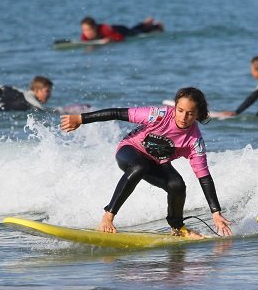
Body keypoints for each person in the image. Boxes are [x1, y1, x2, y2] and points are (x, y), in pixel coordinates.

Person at [60, 87, 233, 238]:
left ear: (198, 114)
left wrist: (215, 213)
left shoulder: (194, 141)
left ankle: (177, 227)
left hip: (157, 162)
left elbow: (204, 177)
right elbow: (117, 113)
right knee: (139, 166)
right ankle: (107, 216)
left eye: (190, 113)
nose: (183, 116)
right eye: (180, 110)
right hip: (129, 151)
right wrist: (81, 119)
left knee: (177, 185)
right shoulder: (159, 115)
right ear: (175, 106)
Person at [80, 16, 164, 43]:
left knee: (137, 33)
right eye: (84, 30)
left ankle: (156, 26)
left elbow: (120, 37)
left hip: (121, 30)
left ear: (95, 27)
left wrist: (110, 39)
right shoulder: (85, 35)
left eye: (89, 30)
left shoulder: (105, 29)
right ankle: (145, 23)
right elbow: (83, 42)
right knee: (134, 29)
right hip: (117, 30)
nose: (87, 33)